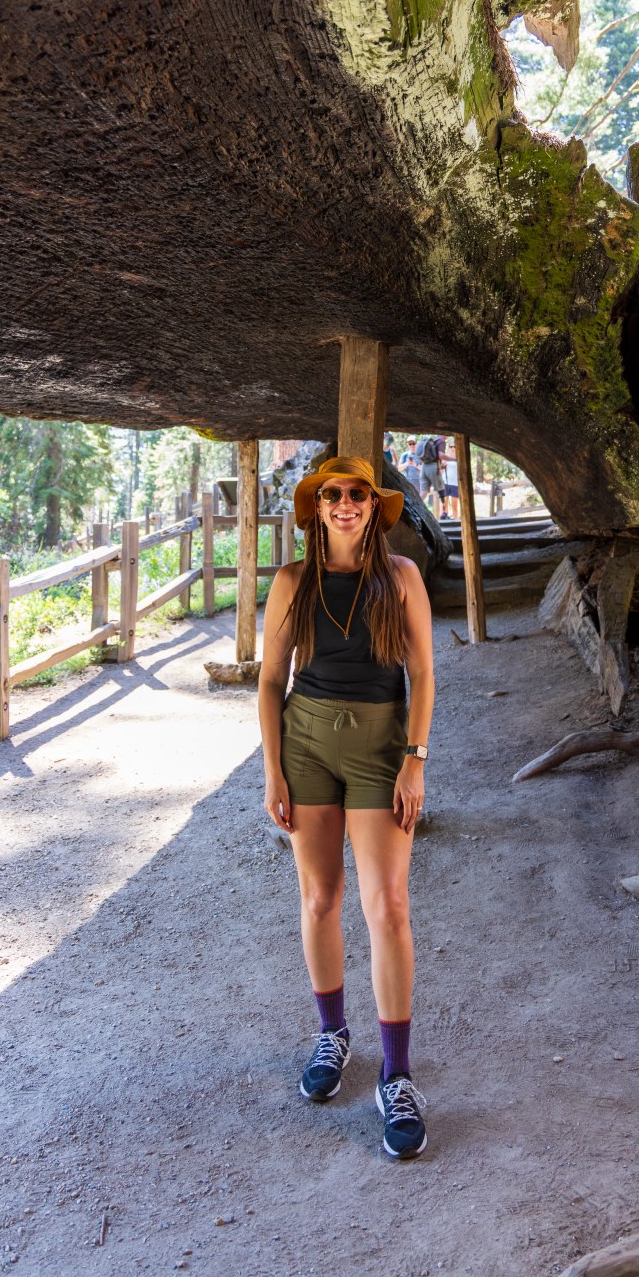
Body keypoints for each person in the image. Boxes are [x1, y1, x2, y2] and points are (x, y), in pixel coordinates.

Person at [258, 456, 435, 1159]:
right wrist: (272, 767)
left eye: (356, 494)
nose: (344, 505)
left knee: (387, 904)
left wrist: (415, 760)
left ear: (373, 506)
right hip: (305, 748)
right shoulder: (292, 583)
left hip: (380, 747)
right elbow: (272, 680)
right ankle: (331, 1035)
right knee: (319, 898)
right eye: (330, 495)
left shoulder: (401, 578)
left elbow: (421, 672)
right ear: (315, 509)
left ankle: (397, 1074)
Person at [417, 434, 444, 516]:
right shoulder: (441, 441)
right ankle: (443, 513)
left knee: (424, 492)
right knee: (440, 490)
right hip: (433, 466)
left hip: (424, 466)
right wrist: (454, 459)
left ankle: (417, 508)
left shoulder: (432, 441)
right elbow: (440, 455)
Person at [442, 437, 459, 520]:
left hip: (455, 483)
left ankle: (456, 521)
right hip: (445, 482)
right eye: (451, 446)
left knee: (454, 505)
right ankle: (444, 522)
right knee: (444, 504)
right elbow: (441, 469)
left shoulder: (459, 458)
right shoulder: (445, 457)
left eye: (454, 446)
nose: (453, 448)